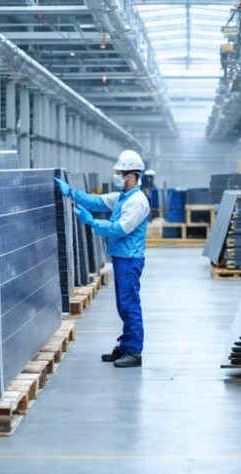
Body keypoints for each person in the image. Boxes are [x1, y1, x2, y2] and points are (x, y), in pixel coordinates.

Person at [54, 150, 150, 368]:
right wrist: (71, 192)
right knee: (123, 305)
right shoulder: (122, 197)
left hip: (130, 259)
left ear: (133, 174)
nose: (117, 175)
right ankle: (125, 346)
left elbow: (120, 228)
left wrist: (91, 222)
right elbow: (96, 201)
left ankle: (134, 351)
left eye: (121, 172)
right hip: (121, 257)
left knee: (129, 305)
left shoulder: (137, 201)